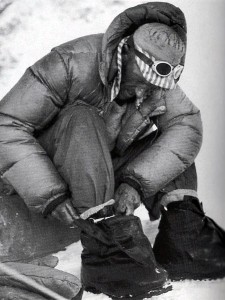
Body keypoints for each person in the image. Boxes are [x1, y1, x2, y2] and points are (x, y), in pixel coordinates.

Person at [0, 1, 224, 284]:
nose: (146, 90)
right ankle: (108, 251)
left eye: (155, 84)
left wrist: (136, 183)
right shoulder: (71, 62)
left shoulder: (157, 81)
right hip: (46, 180)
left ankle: (184, 238)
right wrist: (49, 193)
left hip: (101, 172)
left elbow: (187, 125)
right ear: (127, 51)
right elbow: (7, 124)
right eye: (141, 80)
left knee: (172, 141)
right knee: (81, 117)